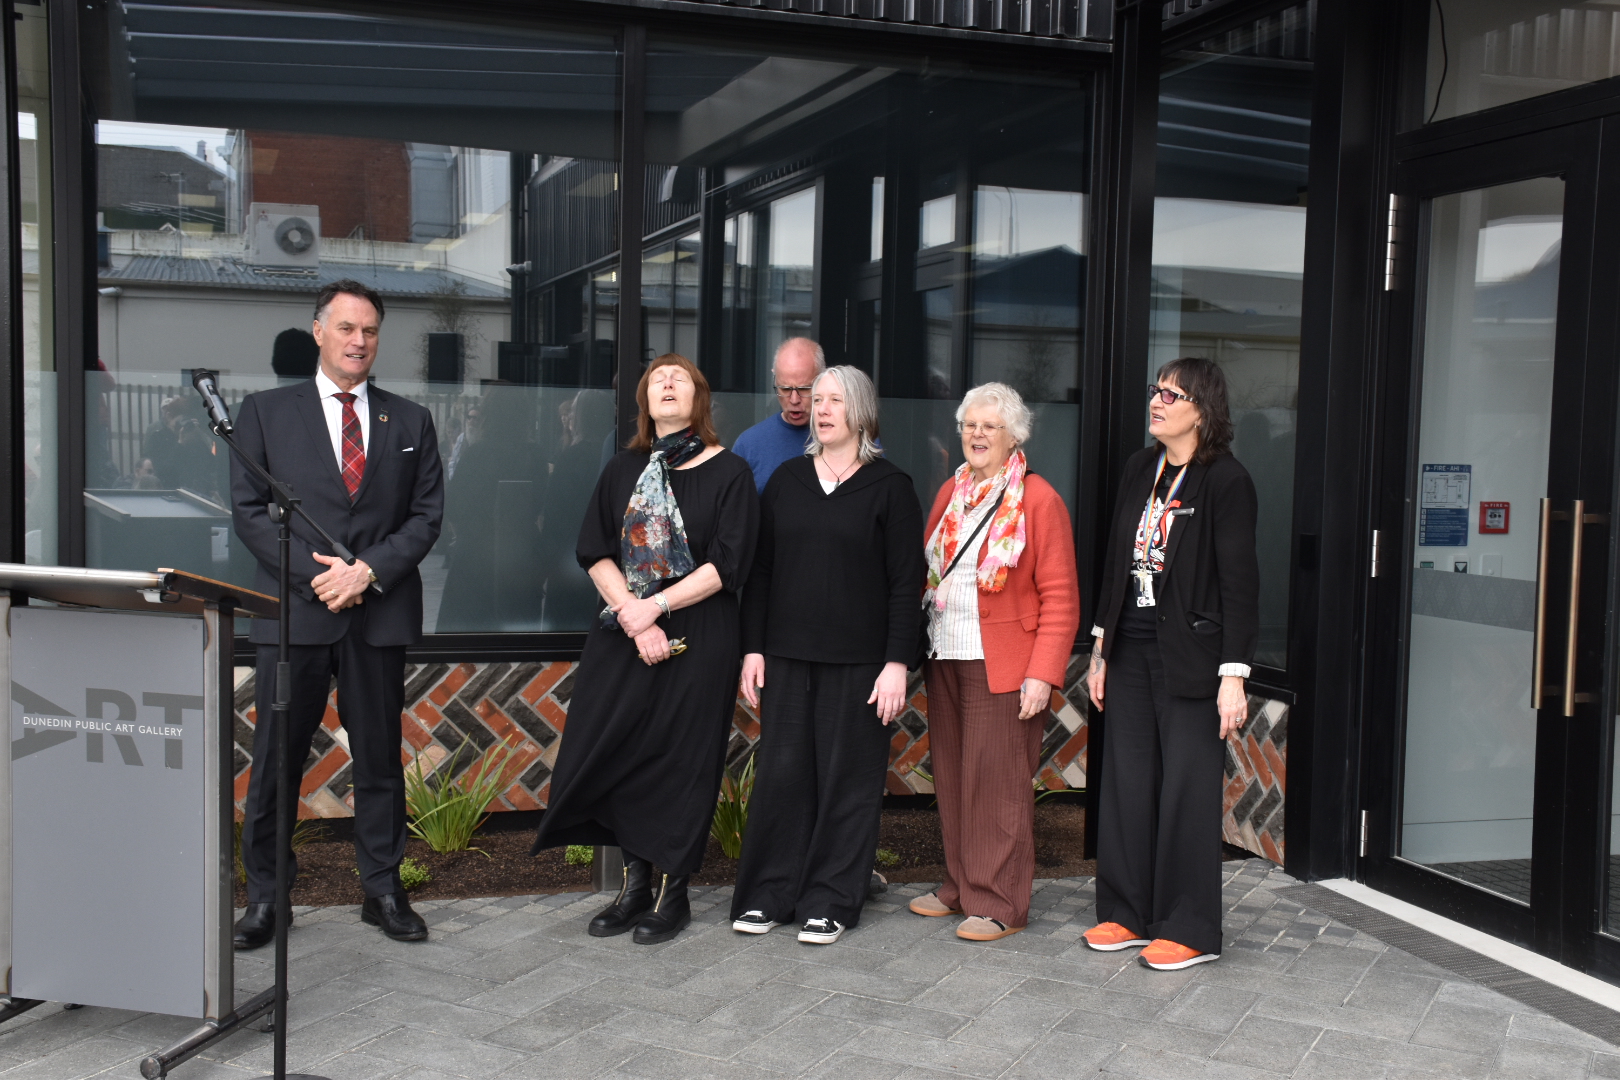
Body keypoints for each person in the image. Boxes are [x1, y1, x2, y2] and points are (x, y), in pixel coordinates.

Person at [230, 279, 445, 950]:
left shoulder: (409, 421)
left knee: (379, 758)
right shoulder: (265, 413)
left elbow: (427, 516)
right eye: (347, 328)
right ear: (319, 331)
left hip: (376, 616)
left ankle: (382, 889)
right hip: (297, 617)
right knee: (276, 762)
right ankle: (267, 897)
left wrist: (368, 571)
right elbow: (248, 513)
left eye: (371, 330)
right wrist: (319, 579)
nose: (359, 341)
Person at [533, 354, 758, 945]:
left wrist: (656, 607)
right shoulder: (622, 469)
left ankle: (673, 891)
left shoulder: (730, 473)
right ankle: (634, 886)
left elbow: (728, 565)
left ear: (699, 400)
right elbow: (595, 550)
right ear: (644, 400)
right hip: (625, 632)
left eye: (679, 377)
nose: (666, 382)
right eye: (657, 377)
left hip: (700, 634)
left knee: (683, 760)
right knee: (625, 752)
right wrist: (636, 619)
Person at [731, 365, 925, 945]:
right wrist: (753, 648)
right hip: (788, 656)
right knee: (784, 775)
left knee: (848, 781)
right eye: (816, 400)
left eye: (834, 400)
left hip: (862, 663)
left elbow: (904, 582)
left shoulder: (891, 487)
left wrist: (896, 662)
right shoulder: (787, 480)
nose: (820, 409)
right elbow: (760, 573)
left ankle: (831, 899)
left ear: (860, 411)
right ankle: (769, 893)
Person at [1083, 356, 1258, 971]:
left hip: (1193, 658)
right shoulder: (1141, 468)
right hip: (1130, 648)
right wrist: (1100, 648)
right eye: (1155, 389)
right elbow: (1114, 563)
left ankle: (1188, 927)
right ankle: (1127, 913)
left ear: (1201, 410)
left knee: (1185, 789)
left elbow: (1240, 585)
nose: (1156, 401)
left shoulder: (1226, 481)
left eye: (1171, 393)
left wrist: (1233, 674)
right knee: (1128, 781)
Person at [909, 382, 1079, 941]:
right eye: (968, 425)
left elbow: (1060, 596)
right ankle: (962, 886)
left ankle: (1000, 902)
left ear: (1015, 436)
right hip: (948, 654)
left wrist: (1042, 673)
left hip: (1004, 664)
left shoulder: (1039, 499)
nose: (976, 434)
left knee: (999, 783)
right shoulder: (950, 492)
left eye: (989, 426)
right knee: (956, 777)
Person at [731, 337, 824, 491]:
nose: (794, 400)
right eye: (785, 389)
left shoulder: (852, 437)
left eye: (805, 389)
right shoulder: (748, 445)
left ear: (824, 379)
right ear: (774, 378)